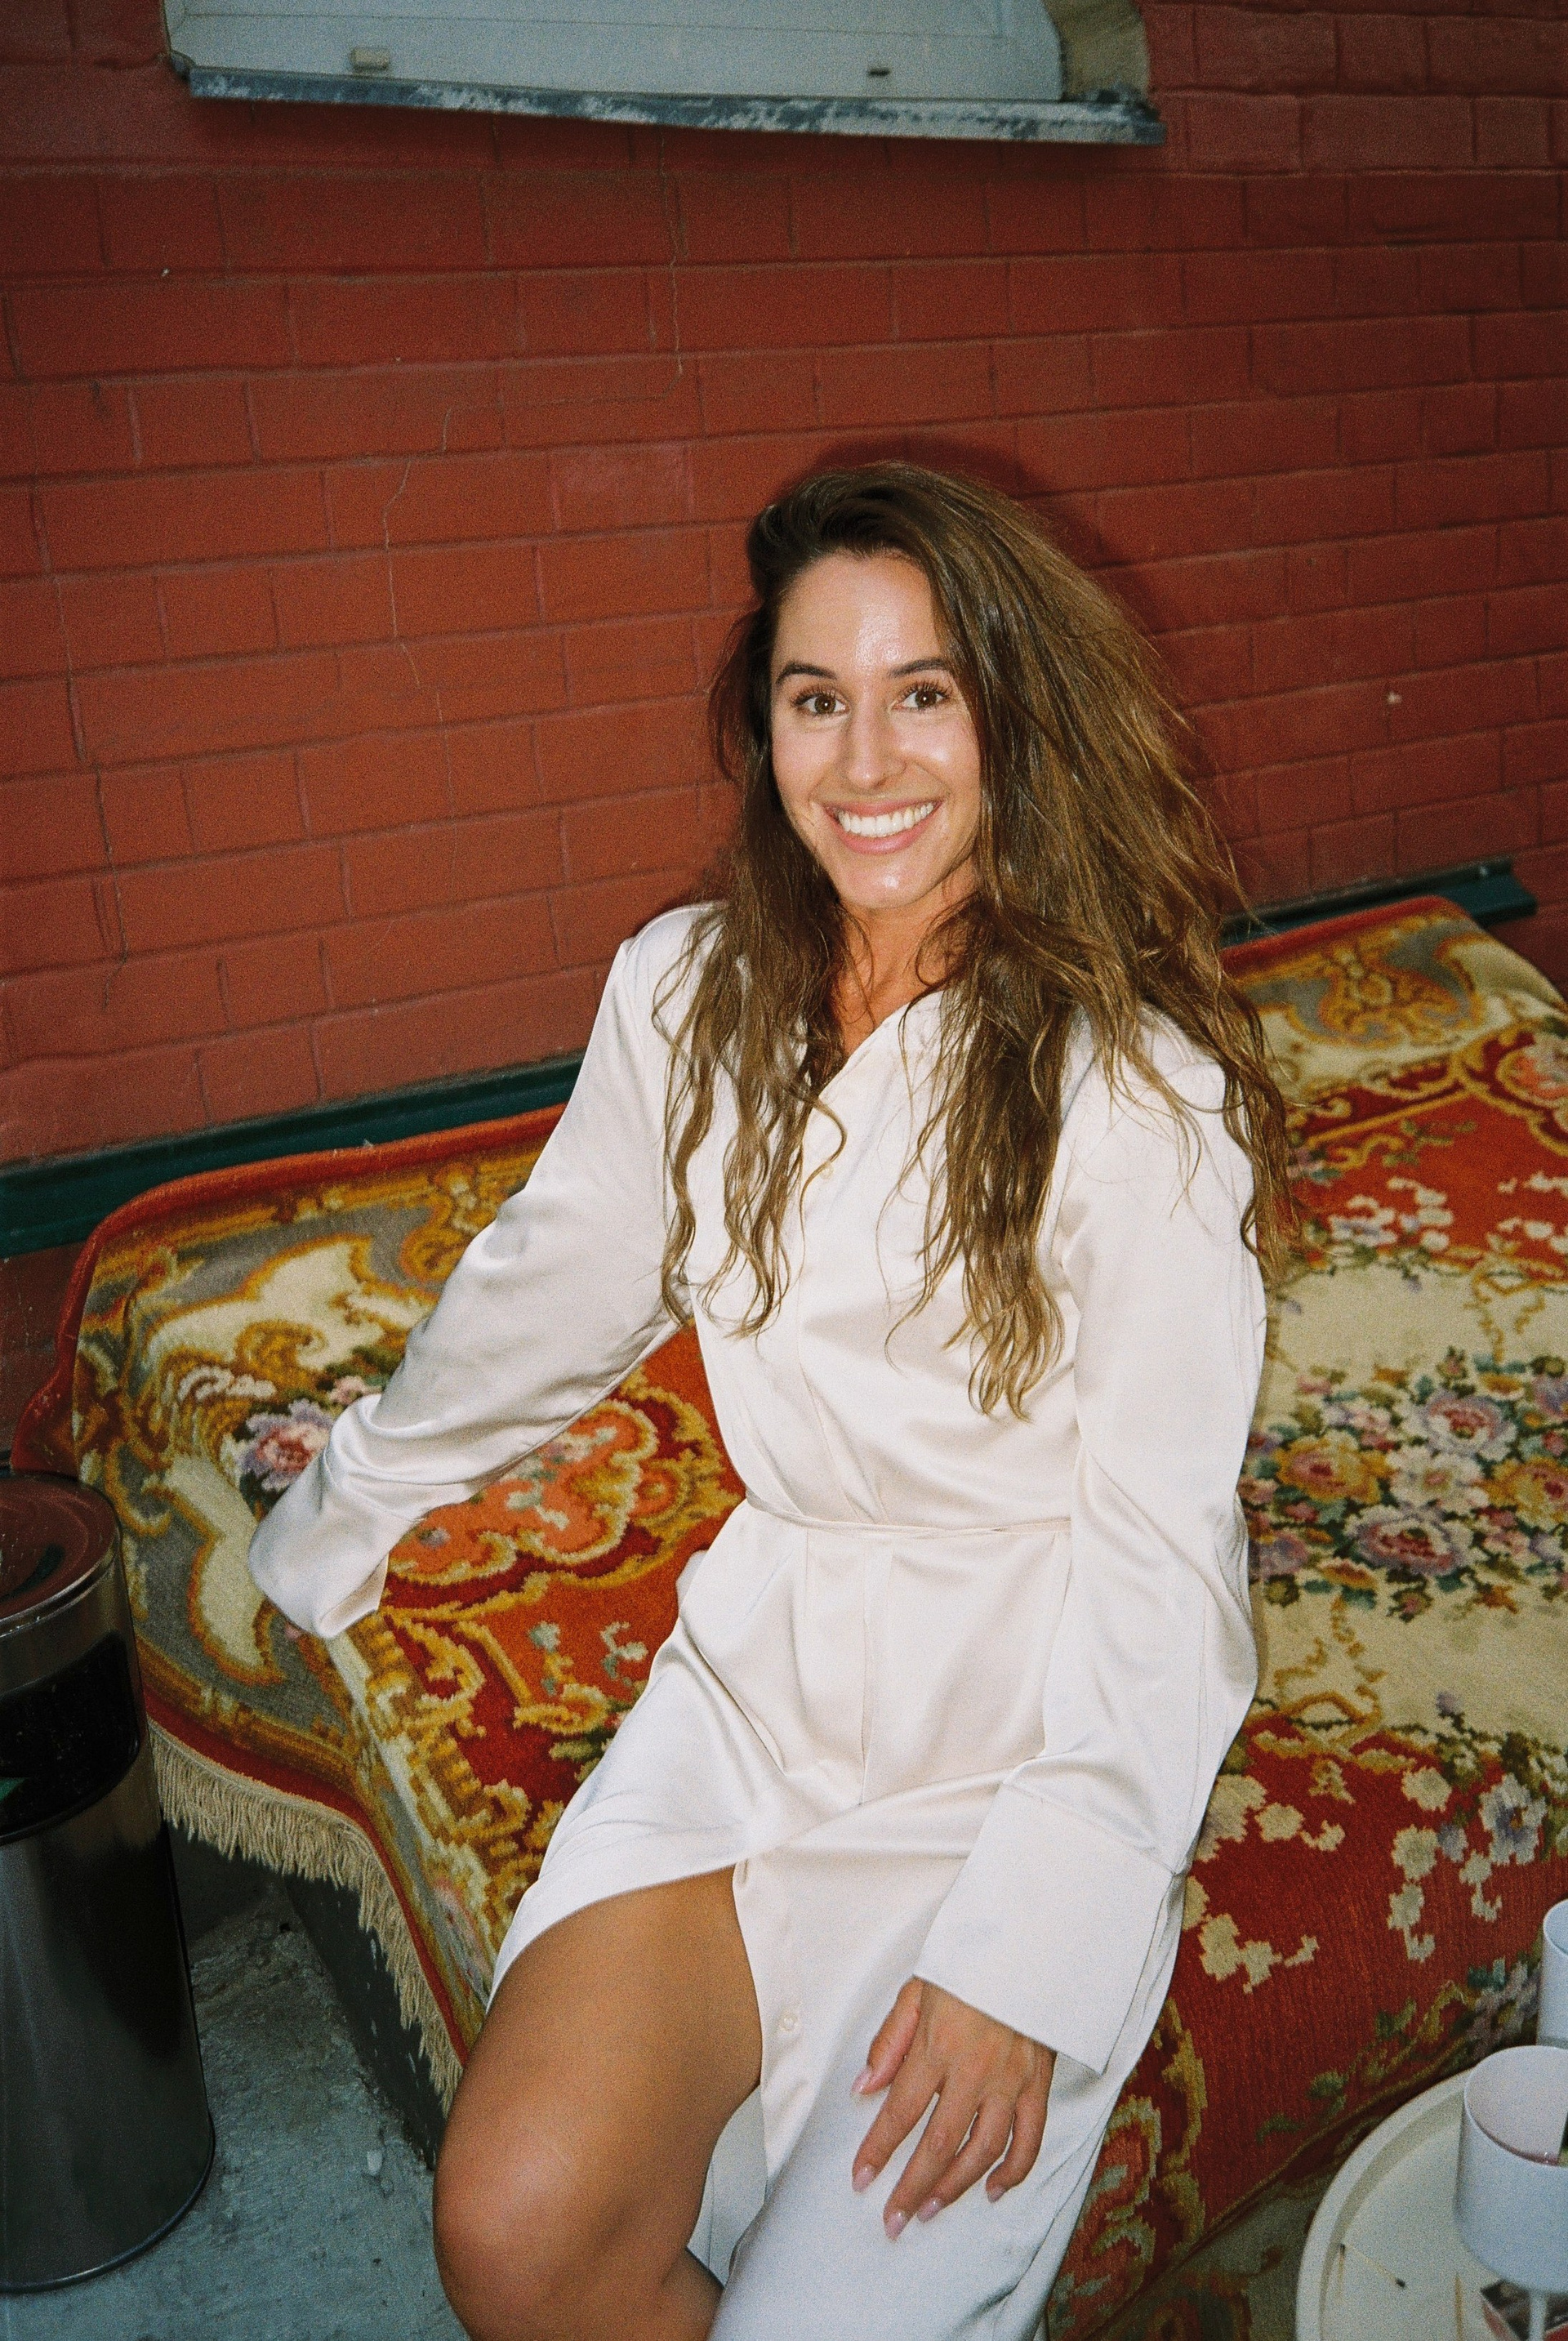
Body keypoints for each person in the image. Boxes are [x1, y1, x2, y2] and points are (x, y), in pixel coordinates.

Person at [250, 462, 1289, 2341]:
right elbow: (547, 1291)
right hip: (758, 1686)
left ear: (1013, 714)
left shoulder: (1135, 1090)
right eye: (819, 697)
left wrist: (1030, 1952)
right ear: (766, 721)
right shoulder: (688, 991)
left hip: (1016, 1734)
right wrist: (355, 1496)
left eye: (924, 693)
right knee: (517, 2230)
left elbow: (1164, 1552)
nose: (866, 760)